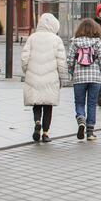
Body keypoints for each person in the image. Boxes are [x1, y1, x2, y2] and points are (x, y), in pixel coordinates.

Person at [21, 13, 67, 143]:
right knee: (48, 105)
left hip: (33, 76)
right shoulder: (56, 40)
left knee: (36, 103)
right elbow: (61, 62)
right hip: (51, 77)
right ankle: (45, 133)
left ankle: (37, 121)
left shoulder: (32, 38)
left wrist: (26, 70)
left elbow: (24, 58)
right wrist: (62, 77)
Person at [67, 19, 101, 141]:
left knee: (79, 103)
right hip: (95, 78)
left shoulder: (75, 42)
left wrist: (72, 73)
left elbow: (69, 60)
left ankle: (81, 119)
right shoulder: (98, 42)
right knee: (91, 103)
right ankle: (90, 132)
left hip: (79, 78)